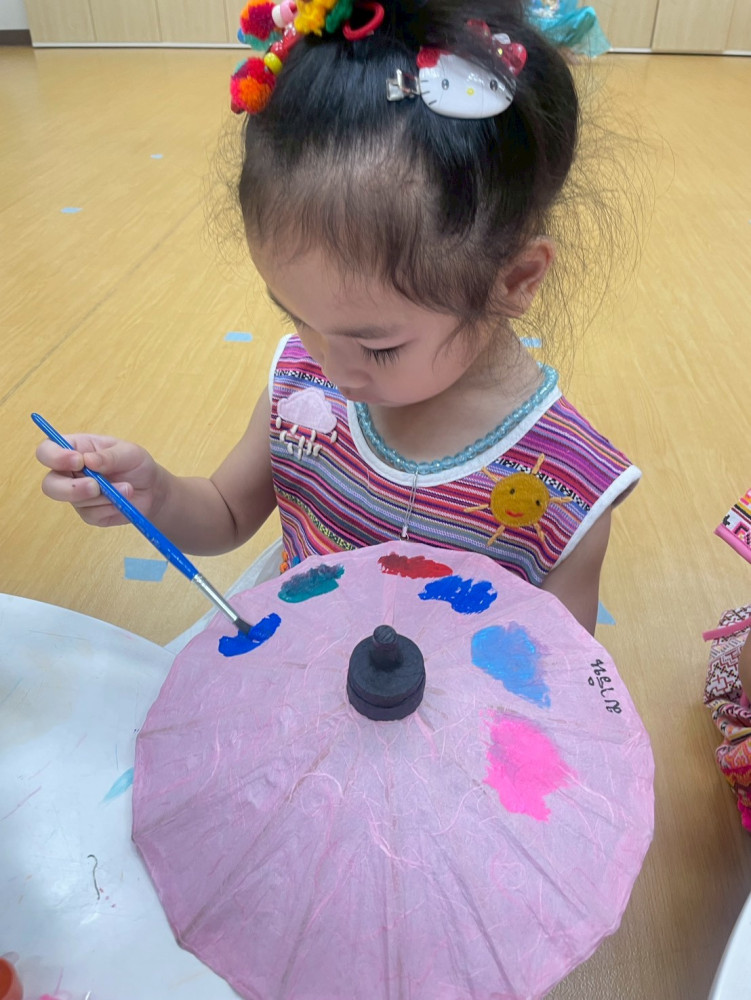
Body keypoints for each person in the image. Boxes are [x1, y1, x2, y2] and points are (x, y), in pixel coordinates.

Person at [36, 0, 640, 635]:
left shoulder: (563, 487)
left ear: (514, 280)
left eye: (378, 348)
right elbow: (226, 513)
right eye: (297, 317)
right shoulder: (305, 389)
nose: (334, 369)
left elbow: (563, 670)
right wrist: (155, 494)